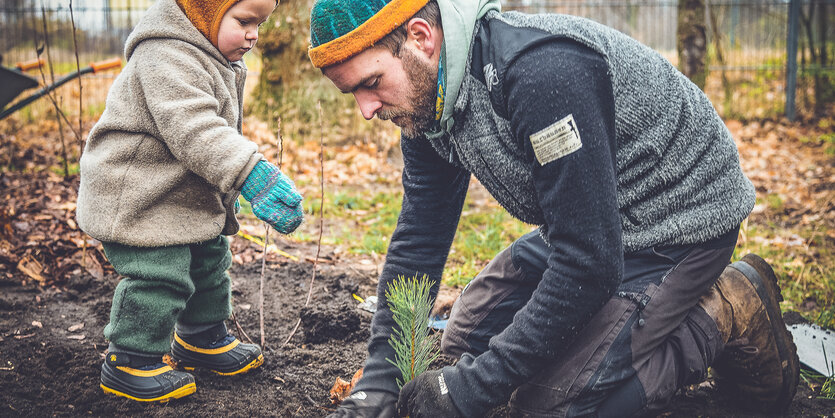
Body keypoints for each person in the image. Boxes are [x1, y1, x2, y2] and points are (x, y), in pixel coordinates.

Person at [308, 0, 799, 416]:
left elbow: (589, 261)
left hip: (677, 223)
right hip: (589, 221)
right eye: (353, 93)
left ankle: (726, 305)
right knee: (463, 344)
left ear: (420, 37)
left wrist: (474, 391)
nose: (366, 110)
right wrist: (379, 379)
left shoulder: (539, 74)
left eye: (370, 83)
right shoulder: (424, 103)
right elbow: (421, 236)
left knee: (553, 401)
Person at [76, 0, 303, 402]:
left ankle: (201, 338)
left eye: (260, 24)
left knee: (209, 258)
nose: (254, 34)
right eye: (244, 21)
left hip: (178, 190)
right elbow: (195, 129)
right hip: (138, 192)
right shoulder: (165, 54)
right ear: (205, 12)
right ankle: (130, 360)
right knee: (159, 273)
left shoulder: (214, 54)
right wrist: (249, 172)